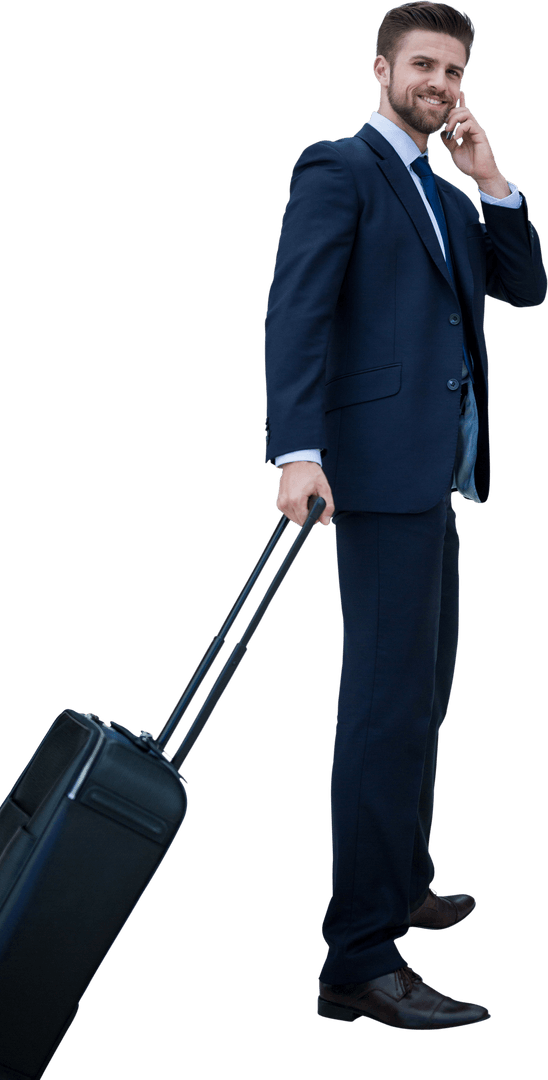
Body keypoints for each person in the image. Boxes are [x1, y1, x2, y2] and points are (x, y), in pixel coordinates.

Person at [262, 1, 546, 1031]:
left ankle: (404, 882)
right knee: (382, 717)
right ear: (382, 67)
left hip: (434, 483)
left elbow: (529, 286)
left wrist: (491, 179)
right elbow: (296, 305)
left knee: (423, 697)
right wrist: (296, 451)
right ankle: (359, 957)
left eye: (454, 70)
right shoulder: (340, 167)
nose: (440, 81)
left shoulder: (445, 192)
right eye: (423, 63)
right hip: (369, 480)